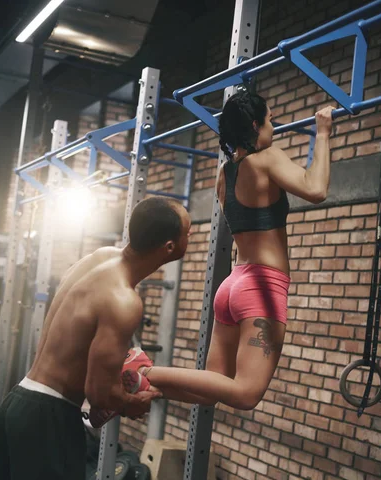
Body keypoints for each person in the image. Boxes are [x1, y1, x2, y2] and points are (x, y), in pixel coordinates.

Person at [0, 196, 192, 480]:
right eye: (189, 230)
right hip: (49, 417)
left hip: (21, 402)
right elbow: (99, 392)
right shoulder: (124, 301)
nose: (191, 235)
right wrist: (132, 402)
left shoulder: (99, 258)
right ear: (170, 248)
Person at [121, 89, 334, 410]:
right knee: (247, 394)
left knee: (210, 391)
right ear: (255, 124)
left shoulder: (226, 175)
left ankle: (145, 383)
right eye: (270, 121)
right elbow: (316, 189)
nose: (273, 129)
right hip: (261, 288)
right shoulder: (267, 158)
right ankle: (142, 368)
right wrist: (322, 133)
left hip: (233, 286)